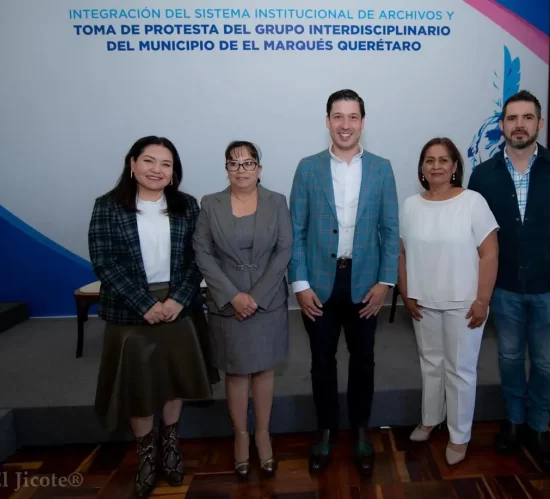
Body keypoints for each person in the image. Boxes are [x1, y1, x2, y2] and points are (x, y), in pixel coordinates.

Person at [468, 90, 550, 471]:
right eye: (512, 118)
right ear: (502, 125)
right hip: (504, 289)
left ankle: (538, 427)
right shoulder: (483, 175)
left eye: (527, 118)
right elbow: (473, 238)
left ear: (539, 123)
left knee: (544, 363)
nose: (519, 125)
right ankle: (514, 421)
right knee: (509, 358)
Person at [88, 136, 212, 498]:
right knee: (139, 385)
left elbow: (197, 258)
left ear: (174, 172)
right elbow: (104, 262)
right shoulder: (108, 206)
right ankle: (145, 453)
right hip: (131, 310)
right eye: (149, 161)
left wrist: (178, 300)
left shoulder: (187, 206)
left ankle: (170, 443)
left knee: (174, 378)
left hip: (177, 307)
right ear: (132, 164)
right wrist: (144, 304)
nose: (157, 170)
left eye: (166, 164)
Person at [289, 89, 400, 476]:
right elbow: (296, 230)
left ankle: (360, 430)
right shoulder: (308, 168)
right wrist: (300, 284)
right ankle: (325, 430)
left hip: (366, 283)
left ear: (362, 122)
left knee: (364, 361)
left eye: (353, 117)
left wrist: (385, 282)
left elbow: (390, 230)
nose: (345, 124)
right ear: (327, 121)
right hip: (319, 284)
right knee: (321, 362)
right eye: (338, 116)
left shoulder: (382, 169)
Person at [193, 140, 293, 478]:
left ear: (259, 169)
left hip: (267, 301)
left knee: (263, 370)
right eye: (234, 163)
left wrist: (256, 296)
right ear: (226, 169)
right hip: (227, 303)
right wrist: (233, 296)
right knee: (236, 372)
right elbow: (203, 253)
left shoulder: (277, 202)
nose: (241, 169)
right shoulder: (210, 204)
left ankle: (262, 434)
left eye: (248, 163)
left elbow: (284, 250)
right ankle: (240, 435)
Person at [398, 137, 499, 465]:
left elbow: (489, 253)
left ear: (455, 166)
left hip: (464, 303)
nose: (436, 166)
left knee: (460, 370)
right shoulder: (410, 206)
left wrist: (483, 300)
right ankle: (431, 418)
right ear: (422, 168)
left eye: (443, 160)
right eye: (429, 160)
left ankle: (459, 435)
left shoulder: (473, 202)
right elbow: (401, 253)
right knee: (430, 364)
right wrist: (406, 293)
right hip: (423, 302)